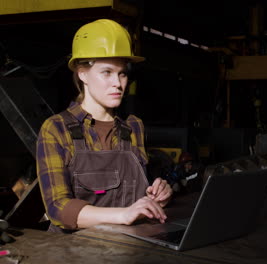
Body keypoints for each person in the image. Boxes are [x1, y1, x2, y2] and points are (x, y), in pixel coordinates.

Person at [36, 19, 172, 233]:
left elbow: (135, 194)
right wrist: (123, 215)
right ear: (82, 74)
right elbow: (57, 208)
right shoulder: (56, 129)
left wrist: (156, 196)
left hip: (130, 246)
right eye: (107, 72)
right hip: (74, 250)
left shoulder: (134, 127)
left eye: (123, 73)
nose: (118, 83)